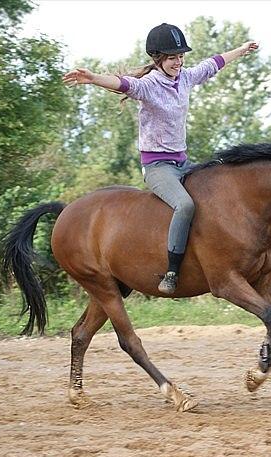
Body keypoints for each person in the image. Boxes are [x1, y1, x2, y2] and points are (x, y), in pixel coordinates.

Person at [63, 23, 258, 294]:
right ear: (158, 59)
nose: (178, 62)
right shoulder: (149, 86)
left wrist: (241, 49)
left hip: (183, 163)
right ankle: (172, 271)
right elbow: (123, 83)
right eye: (172, 57)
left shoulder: (186, 77)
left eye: (180, 56)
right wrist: (94, 78)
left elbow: (213, 64)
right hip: (158, 168)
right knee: (185, 206)